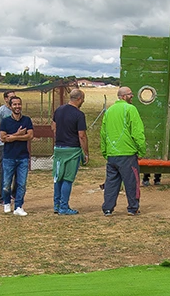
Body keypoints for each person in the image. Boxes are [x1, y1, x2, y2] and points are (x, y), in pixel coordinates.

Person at [100, 85, 146, 216]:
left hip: (112, 154)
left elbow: (103, 133)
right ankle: (133, 208)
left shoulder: (108, 111)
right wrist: (141, 151)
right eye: (130, 94)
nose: (132, 96)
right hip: (127, 154)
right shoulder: (130, 109)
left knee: (111, 183)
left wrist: (105, 151)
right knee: (131, 182)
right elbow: (138, 132)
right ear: (123, 96)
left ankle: (107, 208)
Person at [51, 89, 89, 215]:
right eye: (83, 99)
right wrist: (86, 152)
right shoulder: (79, 114)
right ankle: (64, 207)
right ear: (79, 99)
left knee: (58, 178)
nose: (83, 101)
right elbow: (82, 135)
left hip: (58, 149)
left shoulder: (59, 110)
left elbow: (53, 126)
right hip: (72, 150)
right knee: (68, 179)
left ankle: (56, 205)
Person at [0, 95, 33, 216]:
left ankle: (19, 206)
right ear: (10, 106)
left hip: (23, 157)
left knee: (21, 183)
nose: (17, 107)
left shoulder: (26, 120)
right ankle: (7, 202)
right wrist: (18, 134)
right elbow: (3, 138)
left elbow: (29, 136)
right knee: (7, 183)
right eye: (15, 104)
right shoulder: (5, 121)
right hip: (9, 157)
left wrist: (12, 137)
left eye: (19, 104)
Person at [0, 90, 15, 206]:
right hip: (3, 145)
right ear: (5, 99)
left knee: (17, 170)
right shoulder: (0, 111)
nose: (13, 100)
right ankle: (2, 197)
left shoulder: (16, 111)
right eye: (11, 97)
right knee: (4, 171)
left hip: (15, 144)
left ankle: (13, 194)